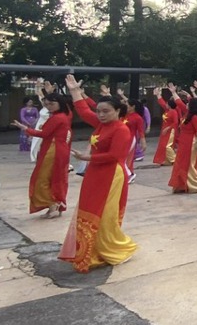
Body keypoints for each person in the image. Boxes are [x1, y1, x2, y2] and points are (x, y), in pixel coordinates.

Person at [59, 75, 138, 273]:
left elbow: (115, 155)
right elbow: (84, 110)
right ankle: (90, 250)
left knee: (105, 215)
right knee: (89, 209)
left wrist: (87, 159)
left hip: (111, 175)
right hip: (95, 173)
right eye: (99, 111)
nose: (101, 115)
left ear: (118, 111)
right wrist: (75, 91)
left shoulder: (121, 130)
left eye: (106, 111)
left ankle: (114, 248)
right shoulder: (102, 124)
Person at [11, 92, 71, 218]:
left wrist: (24, 128)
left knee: (42, 179)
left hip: (53, 150)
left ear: (60, 104)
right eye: (47, 104)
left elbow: (44, 134)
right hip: (57, 149)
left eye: (52, 104)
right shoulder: (63, 115)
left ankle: (53, 204)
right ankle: (55, 205)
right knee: (55, 178)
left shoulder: (57, 118)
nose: (49, 106)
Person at [168, 97, 197, 194]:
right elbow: (179, 102)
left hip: (191, 143)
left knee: (188, 164)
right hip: (183, 143)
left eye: (189, 103)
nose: (186, 104)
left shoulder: (195, 118)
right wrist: (173, 92)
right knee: (181, 163)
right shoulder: (187, 115)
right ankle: (181, 185)